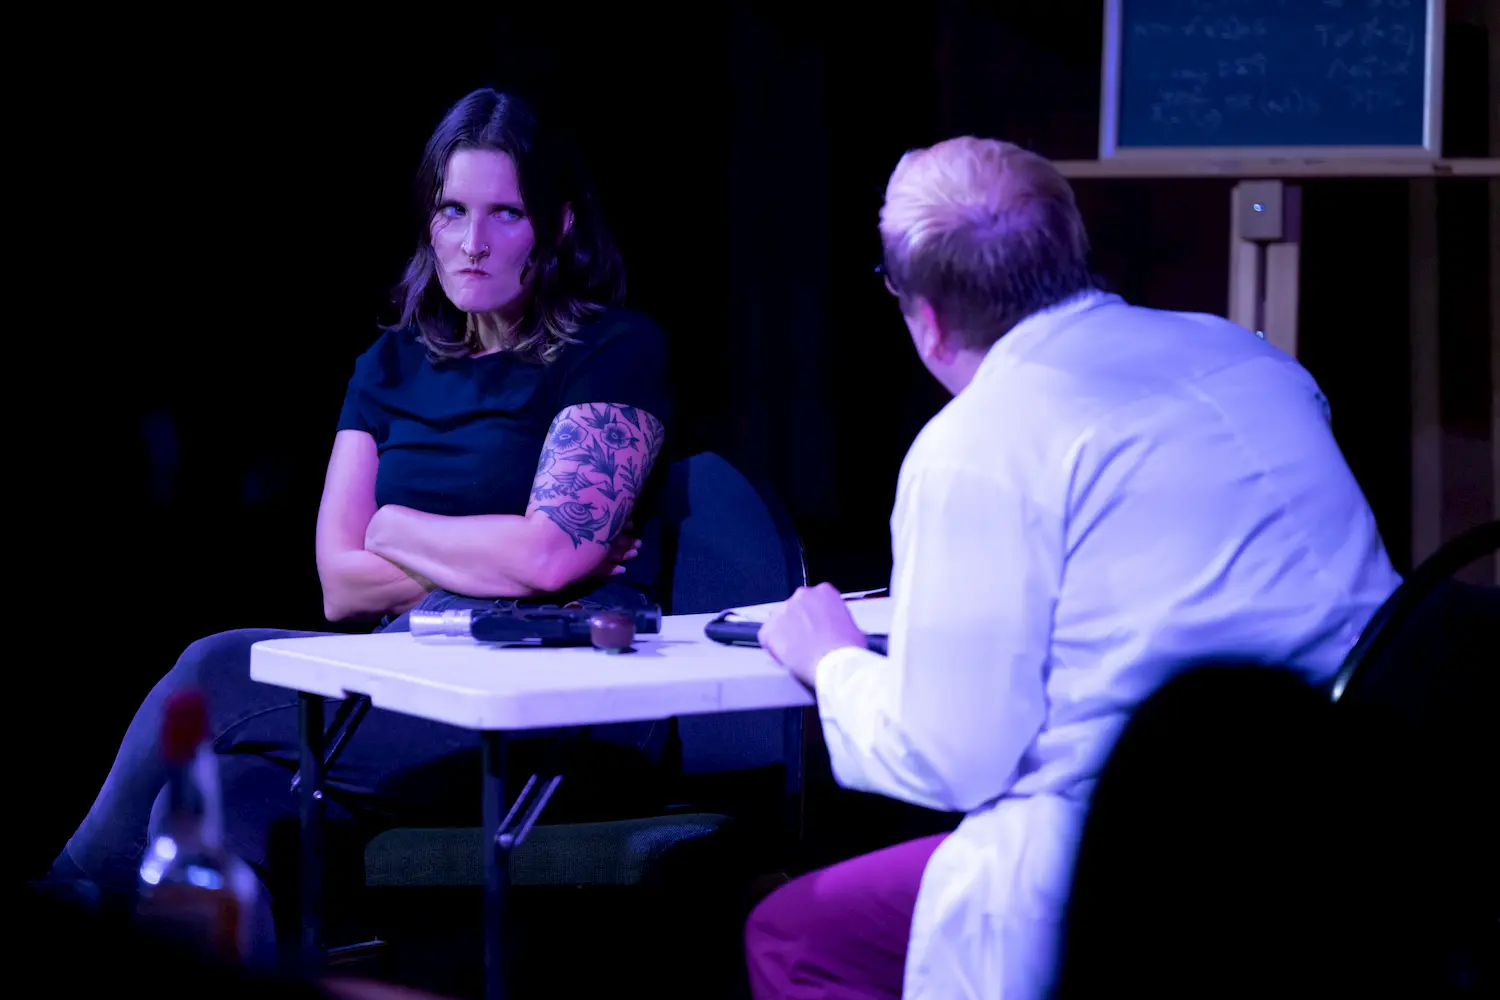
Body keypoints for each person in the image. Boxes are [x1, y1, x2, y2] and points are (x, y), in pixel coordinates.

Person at [744, 137, 1402, 1000]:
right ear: (1071, 248)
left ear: (927, 316)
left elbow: (953, 759)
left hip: (1150, 853)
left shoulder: (975, 444)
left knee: (796, 936)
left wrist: (830, 661)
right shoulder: (1249, 358)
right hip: (1362, 811)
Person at [46, 89, 675, 953]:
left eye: (505, 214)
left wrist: (398, 528)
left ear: (559, 225)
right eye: (452, 211)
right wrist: (491, 551)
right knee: (212, 807)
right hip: (401, 684)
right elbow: (340, 582)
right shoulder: (387, 365)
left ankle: (65, 892)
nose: (472, 242)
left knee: (215, 667)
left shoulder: (613, 349)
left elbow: (552, 554)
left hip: (544, 704)